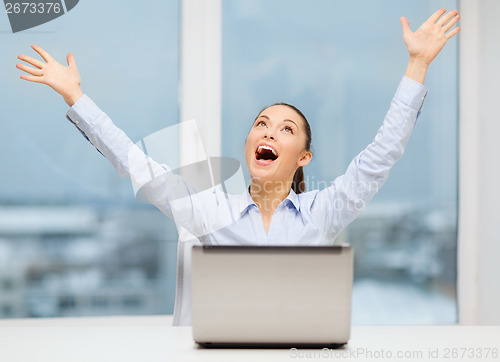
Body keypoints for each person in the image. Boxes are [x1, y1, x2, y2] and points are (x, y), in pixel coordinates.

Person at [16, 8, 459, 322]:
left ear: (304, 157)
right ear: (249, 143)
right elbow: (134, 163)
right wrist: (75, 96)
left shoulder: (324, 213)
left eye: (286, 130)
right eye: (261, 124)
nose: (268, 133)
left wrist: (417, 63)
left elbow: (380, 158)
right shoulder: (208, 210)